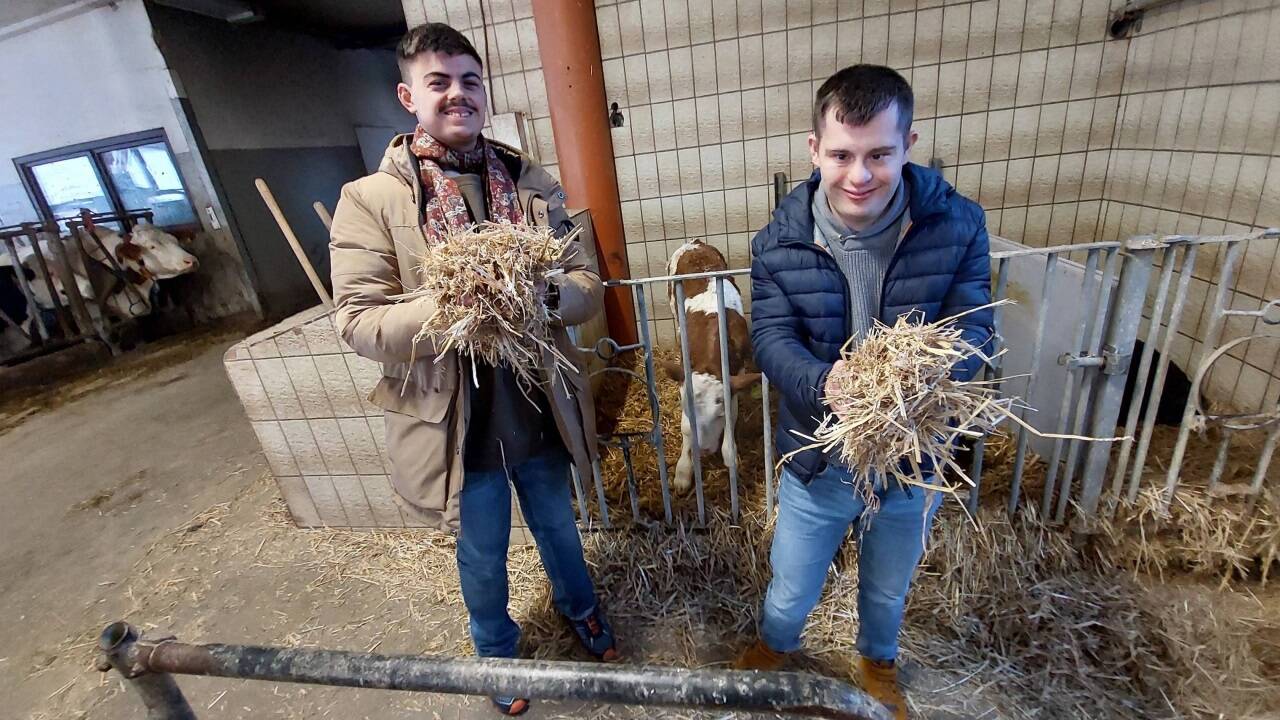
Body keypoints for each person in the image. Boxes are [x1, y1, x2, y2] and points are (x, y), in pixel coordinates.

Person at [328, 22, 619, 717]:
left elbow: (585, 281)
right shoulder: (372, 199)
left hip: (536, 393)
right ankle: (495, 652)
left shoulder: (526, 179)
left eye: (469, 80)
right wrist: (452, 304)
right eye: (439, 82)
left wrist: (544, 293)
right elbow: (358, 321)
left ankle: (580, 609)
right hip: (453, 413)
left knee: (557, 521)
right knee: (483, 547)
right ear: (408, 96)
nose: (457, 94)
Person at [736, 65, 994, 719]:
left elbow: (974, 330)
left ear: (908, 145)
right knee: (792, 584)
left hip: (911, 457)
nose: (860, 175)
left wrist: (916, 385)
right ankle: (776, 645)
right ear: (814, 149)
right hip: (818, 453)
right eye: (843, 154)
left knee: (887, 586)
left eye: (879, 154)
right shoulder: (778, 243)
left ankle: (877, 661)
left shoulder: (958, 226)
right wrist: (823, 381)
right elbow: (770, 339)